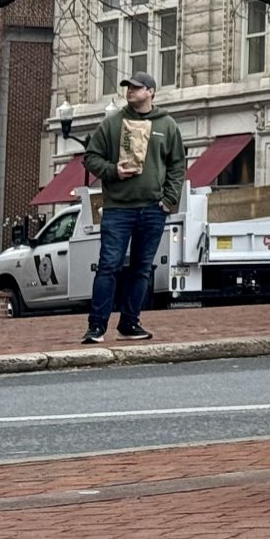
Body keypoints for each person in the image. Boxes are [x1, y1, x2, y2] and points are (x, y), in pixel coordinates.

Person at [80, 73, 186, 344]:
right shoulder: (112, 124)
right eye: (128, 87)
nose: (130, 91)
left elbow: (177, 165)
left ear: (150, 91)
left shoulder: (167, 125)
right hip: (118, 209)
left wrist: (168, 200)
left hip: (153, 209)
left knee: (141, 268)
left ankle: (129, 323)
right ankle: (96, 327)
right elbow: (90, 158)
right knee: (109, 266)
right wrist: (112, 170)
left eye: (136, 88)